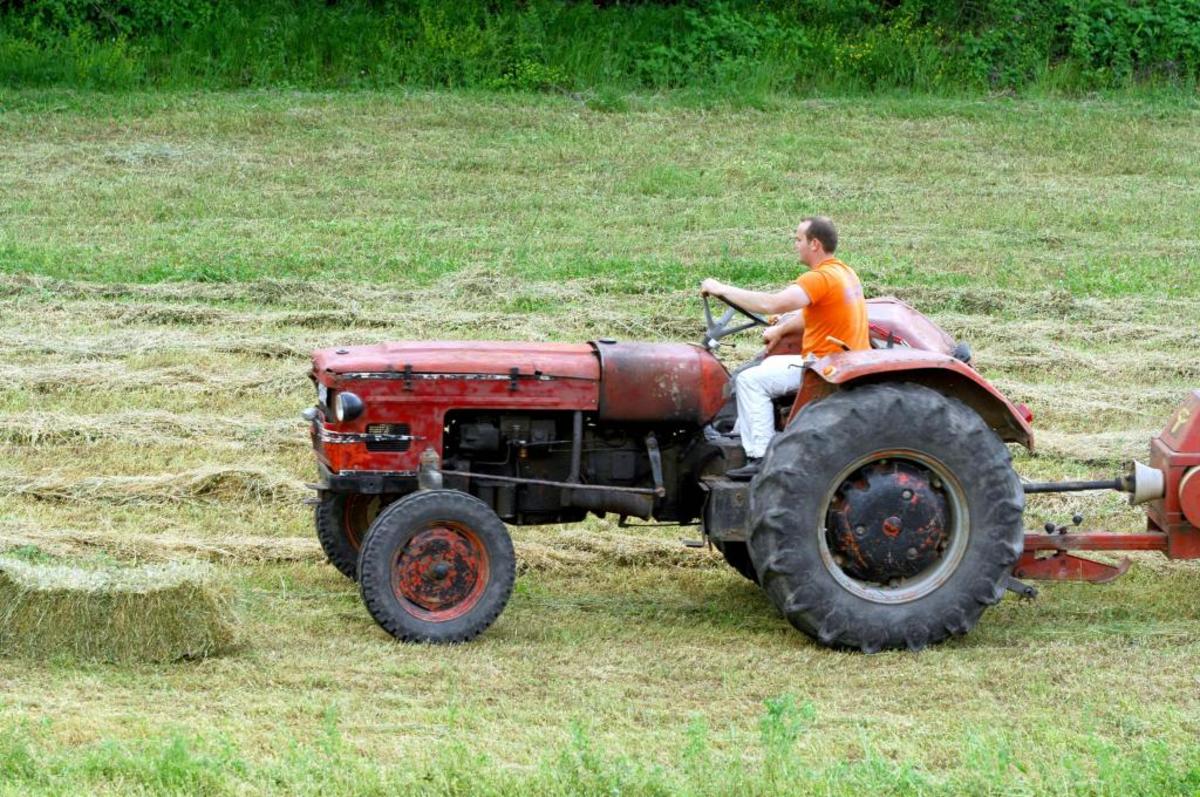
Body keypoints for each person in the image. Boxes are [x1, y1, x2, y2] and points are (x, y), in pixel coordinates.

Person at [700, 216, 870, 480]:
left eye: (798, 239)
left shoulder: (819, 278)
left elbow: (772, 304)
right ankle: (738, 435)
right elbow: (815, 314)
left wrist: (721, 289)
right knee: (762, 367)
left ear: (814, 244)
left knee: (749, 381)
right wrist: (780, 330)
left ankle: (760, 457)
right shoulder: (844, 272)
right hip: (837, 360)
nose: (795, 244)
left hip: (824, 367)